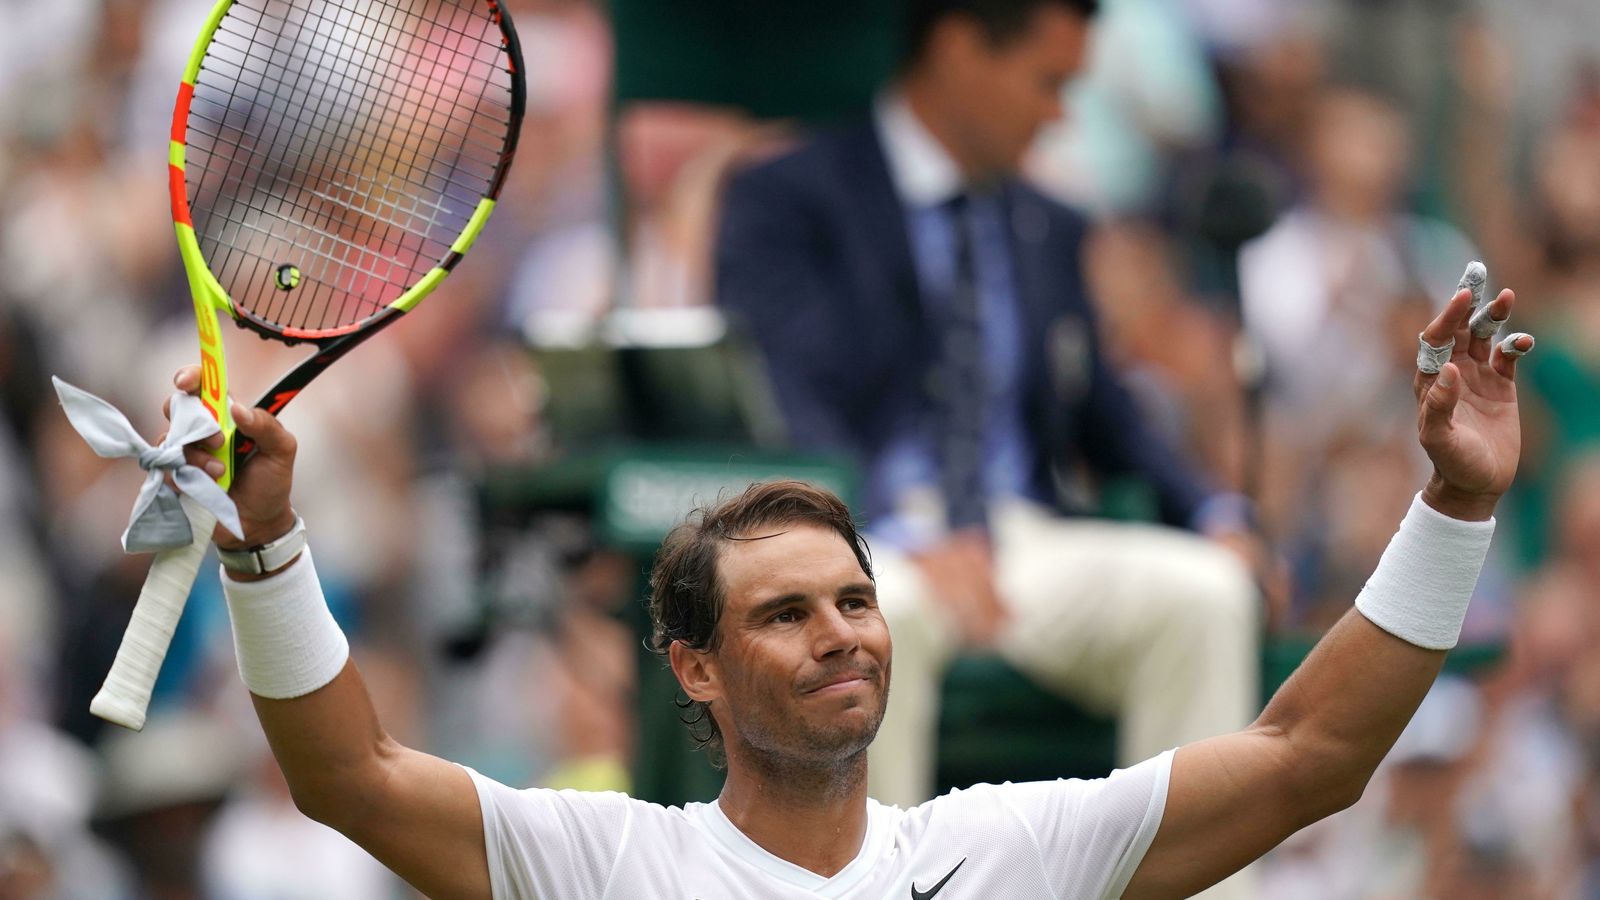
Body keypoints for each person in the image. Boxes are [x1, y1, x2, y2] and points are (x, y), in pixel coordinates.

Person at [164, 279, 1531, 898]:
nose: (841, 636)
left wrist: (1456, 504)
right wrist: (265, 546)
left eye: (855, 601)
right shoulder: (609, 866)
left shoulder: (1010, 853)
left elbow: (1311, 758)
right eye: (784, 613)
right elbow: (349, 776)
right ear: (690, 665)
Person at [713, 0, 1263, 818]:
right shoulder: (790, 197)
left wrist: (1212, 511)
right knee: (867, 613)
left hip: (1020, 542)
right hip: (865, 536)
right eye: (1047, 82)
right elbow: (781, 396)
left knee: (1208, 594)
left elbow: (1102, 411)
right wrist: (887, 532)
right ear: (960, 48)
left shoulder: (1049, 222)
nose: (1059, 114)